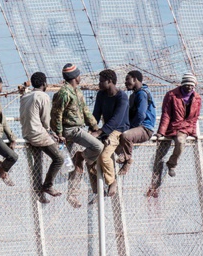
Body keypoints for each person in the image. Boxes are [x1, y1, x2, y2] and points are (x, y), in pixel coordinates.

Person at [50, 63, 103, 208]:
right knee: (98, 146)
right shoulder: (64, 93)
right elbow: (56, 114)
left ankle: (72, 194)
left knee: (76, 165)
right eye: (79, 74)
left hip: (77, 130)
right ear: (74, 77)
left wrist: (95, 127)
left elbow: (86, 112)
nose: (80, 77)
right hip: (70, 131)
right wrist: (59, 133)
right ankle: (83, 156)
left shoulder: (77, 92)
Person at [148, 73, 201, 197]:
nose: (189, 88)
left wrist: (193, 132)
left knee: (180, 142)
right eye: (187, 85)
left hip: (184, 128)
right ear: (182, 84)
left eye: (191, 85)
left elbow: (195, 117)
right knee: (159, 155)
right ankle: (155, 184)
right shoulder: (171, 95)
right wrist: (161, 132)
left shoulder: (197, 98)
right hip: (171, 128)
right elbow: (166, 114)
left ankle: (171, 164)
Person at [20, 72, 64, 203]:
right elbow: (45, 121)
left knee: (38, 163)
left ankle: (39, 193)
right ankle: (48, 185)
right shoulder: (43, 96)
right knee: (59, 159)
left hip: (26, 133)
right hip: (38, 134)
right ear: (45, 84)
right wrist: (53, 133)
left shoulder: (25, 96)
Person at [92, 69, 129, 197]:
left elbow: (117, 120)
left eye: (102, 81)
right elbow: (96, 114)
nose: (99, 84)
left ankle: (112, 181)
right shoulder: (101, 95)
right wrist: (92, 129)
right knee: (89, 157)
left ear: (110, 81)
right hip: (105, 129)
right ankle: (96, 188)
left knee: (104, 156)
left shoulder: (121, 96)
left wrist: (100, 132)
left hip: (118, 130)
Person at [116, 70, 156, 176]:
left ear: (135, 79)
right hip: (137, 127)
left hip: (145, 128)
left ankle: (128, 159)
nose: (125, 82)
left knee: (126, 135)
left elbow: (141, 115)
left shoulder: (142, 93)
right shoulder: (134, 95)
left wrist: (129, 128)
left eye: (127, 79)